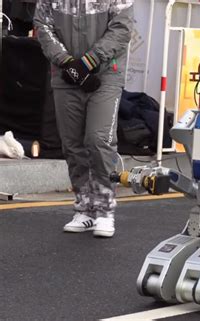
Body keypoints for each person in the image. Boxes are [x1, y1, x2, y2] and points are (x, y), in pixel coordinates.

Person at [33, 0, 134, 238]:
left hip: (106, 75)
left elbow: (122, 28)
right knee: (72, 144)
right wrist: (68, 63)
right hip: (65, 75)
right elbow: (42, 25)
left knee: (98, 139)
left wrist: (89, 62)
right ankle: (85, 209)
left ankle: (104, 210)